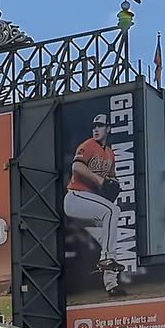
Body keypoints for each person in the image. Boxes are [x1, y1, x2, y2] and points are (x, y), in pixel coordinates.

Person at [64, 114, 129, 296]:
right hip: (76, 198)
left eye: (100, 125)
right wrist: (100, 181)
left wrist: (113, 183)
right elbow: (76, 167)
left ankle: (111, 285)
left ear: (108, 128)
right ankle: (107, 258)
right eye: (94, 126)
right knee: (112, 211)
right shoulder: (88, 145)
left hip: (89, 206)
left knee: (109, 237)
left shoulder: (109, 154)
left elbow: (113, 178)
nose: (96, 129)